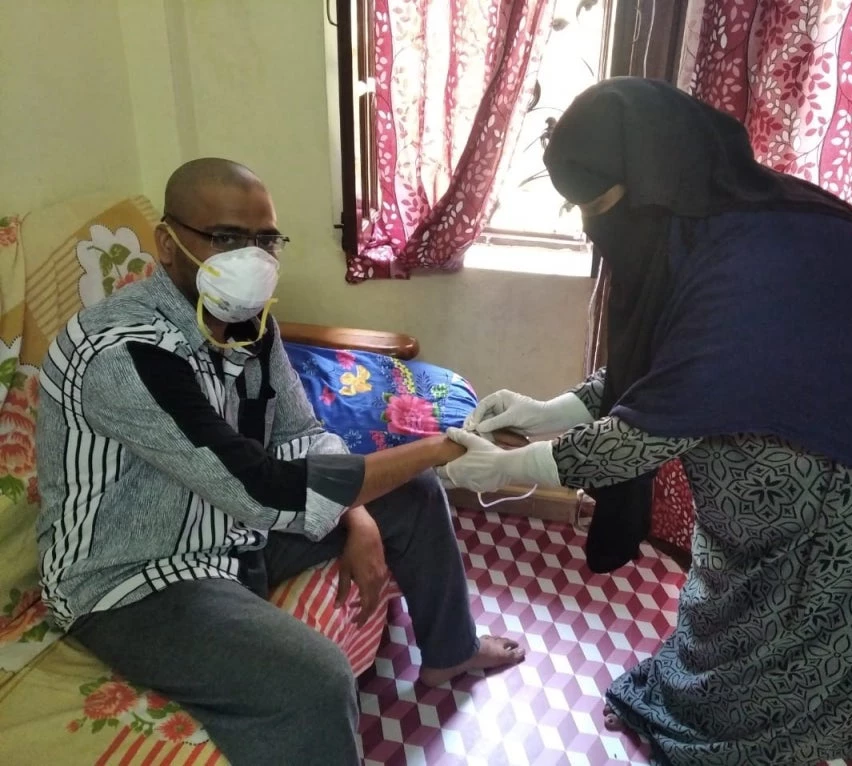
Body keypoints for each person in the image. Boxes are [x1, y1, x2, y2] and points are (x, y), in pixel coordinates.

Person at [440, 78, 852, 766]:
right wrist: (544, 410)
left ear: (645, 180)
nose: (589, 226)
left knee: (810, 643)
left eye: (596, 204)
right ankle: (715, 714)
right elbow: (661, 369)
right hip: (808, 439)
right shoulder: (709, 224)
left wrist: (506, 468)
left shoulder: (751, 253)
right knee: (744, 608)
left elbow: (650, 430)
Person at [35, 158, 524, 766]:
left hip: (230, 528)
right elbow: (264, 489)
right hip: (136, 576)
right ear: (167, 243)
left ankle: (450, 649)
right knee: (313, 679)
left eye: (265, 238)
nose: (253, 257)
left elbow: (298, 431)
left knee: (415, 492)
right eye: (227, 238)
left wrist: (359, 516)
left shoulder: (243, 320)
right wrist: (446, 445)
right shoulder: (125, 354)